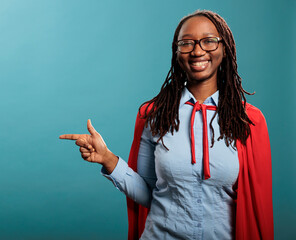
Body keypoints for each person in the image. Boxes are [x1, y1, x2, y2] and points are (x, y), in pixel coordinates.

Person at [59, 10, 273, 240]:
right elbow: (149, 193)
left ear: (225, 49)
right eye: (186, 43)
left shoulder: (247, 120)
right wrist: (108, 159)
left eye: (209, 41)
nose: (197, 51)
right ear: (176, 51)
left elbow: (256, 207)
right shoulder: (155, 116)